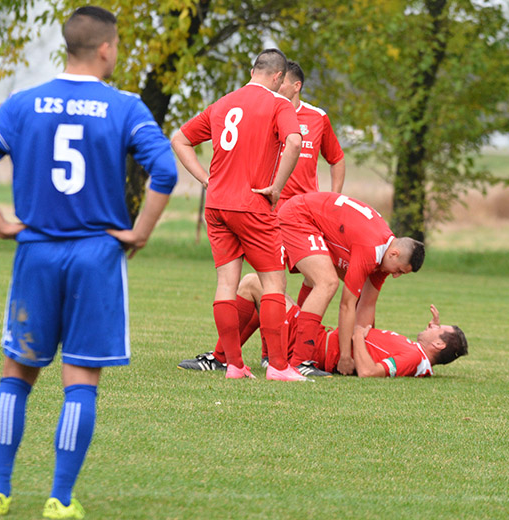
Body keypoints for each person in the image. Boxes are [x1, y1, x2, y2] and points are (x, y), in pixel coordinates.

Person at [0, 6, 177, 518]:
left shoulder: (25, 104)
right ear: (105, 49)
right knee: (80, 379)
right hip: (96, 256)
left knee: (17, 372)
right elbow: (164, 170)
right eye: (117, 45)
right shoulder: (125, 106)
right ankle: (59, 498)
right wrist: (140, 232)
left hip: (36, 252)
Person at [171, 48, 306, 381]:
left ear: (252, 70)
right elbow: (294, 142)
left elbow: (180, 139)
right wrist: (277, 186)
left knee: (226, 283)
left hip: (216, 205)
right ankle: (277, 367)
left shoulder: (223, 102)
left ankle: (234, 365)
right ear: (278, 76)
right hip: (253, 205)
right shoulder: (279, 104)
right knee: (273, 282)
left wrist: (206, 179)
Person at [179, 274, 468, 377]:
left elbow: (368, 372)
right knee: (271, 292)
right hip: (317, 337)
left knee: (254, 283)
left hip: (313, 346)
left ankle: (221, 359)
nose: (431, 328)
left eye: (437, 332)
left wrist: (355, 332)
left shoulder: (414, 358)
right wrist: (432, 331)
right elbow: (379, 348)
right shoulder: (419, 354)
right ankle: (239, 357)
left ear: (439, 344)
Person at [279, 192, 425, 376]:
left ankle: (290, 347)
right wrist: (345, 357)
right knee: (327, 282)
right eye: (399, 271)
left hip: (314, 219)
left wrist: (360, 348)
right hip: (299, 215)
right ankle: (300, 361)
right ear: (394, 254)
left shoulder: (384, 257)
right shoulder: (371, 250)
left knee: (318, 279)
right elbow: (347, 305)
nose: (395, 276)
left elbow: (367, 304)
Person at [276, 61, 345, 209]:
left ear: (297, 86)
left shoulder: (317, 117)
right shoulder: (265, 115)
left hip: (305, 206)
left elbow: (337, 159)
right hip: (271, 206)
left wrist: (334, 199)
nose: (276, 86)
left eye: (282, 82)